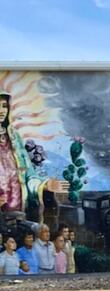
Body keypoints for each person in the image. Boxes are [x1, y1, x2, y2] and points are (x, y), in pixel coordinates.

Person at [0, 92, 68, 221]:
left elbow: (28, 175)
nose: (1, 110)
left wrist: (44, 185)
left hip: (18, 210)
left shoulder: (14, 138)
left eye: (4, 106)